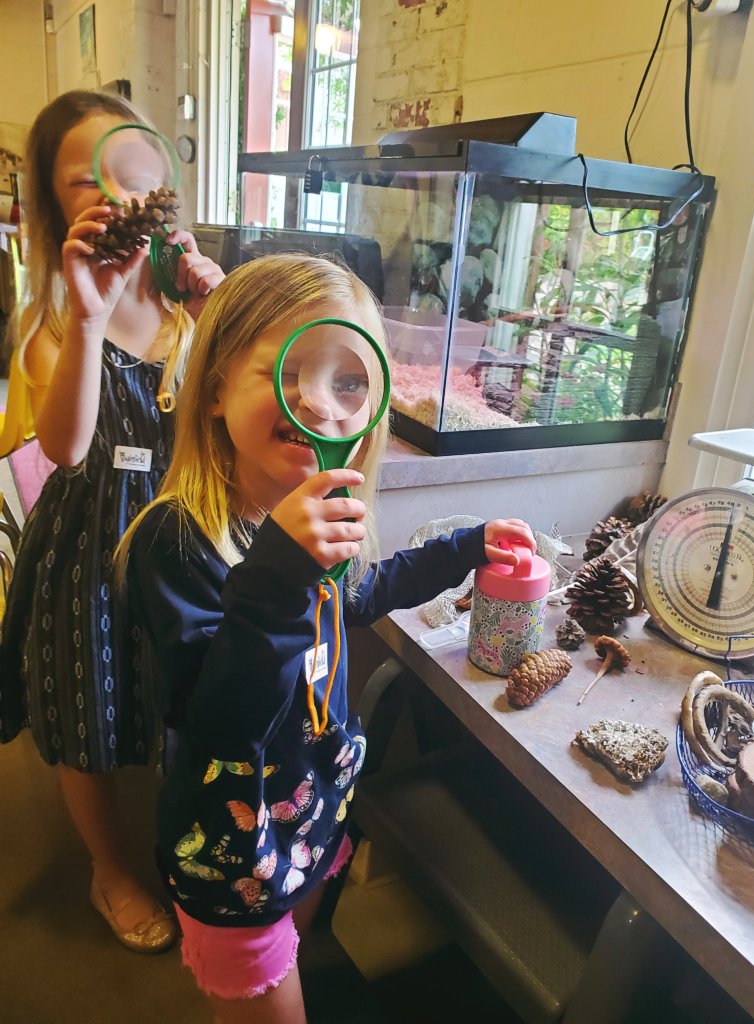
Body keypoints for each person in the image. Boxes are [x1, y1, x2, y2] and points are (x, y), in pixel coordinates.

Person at [116, 252, 536, 1021]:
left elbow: (360, 594)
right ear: (214, 390)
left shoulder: (319, 525)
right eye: (289, 373)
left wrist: (463, 548)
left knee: (298, 952)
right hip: (231, 858)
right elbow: (219, 725)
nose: (318, 402)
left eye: (348, 383)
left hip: (312, 815)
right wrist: (277, 576)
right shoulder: (176, 542)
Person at [0, 90, 224, 953]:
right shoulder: (56, 319)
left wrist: (214, 313)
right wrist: (92, 318)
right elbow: (65, 447)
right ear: (52, 207)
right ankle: (107, 867)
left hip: (179, 531)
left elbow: (233, 406)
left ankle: (183, 829)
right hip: (88, 541)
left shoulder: (181, 302)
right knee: (86, 706)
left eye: (136, 177)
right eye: (87, 181)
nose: (117, 196)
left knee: (179, 691)